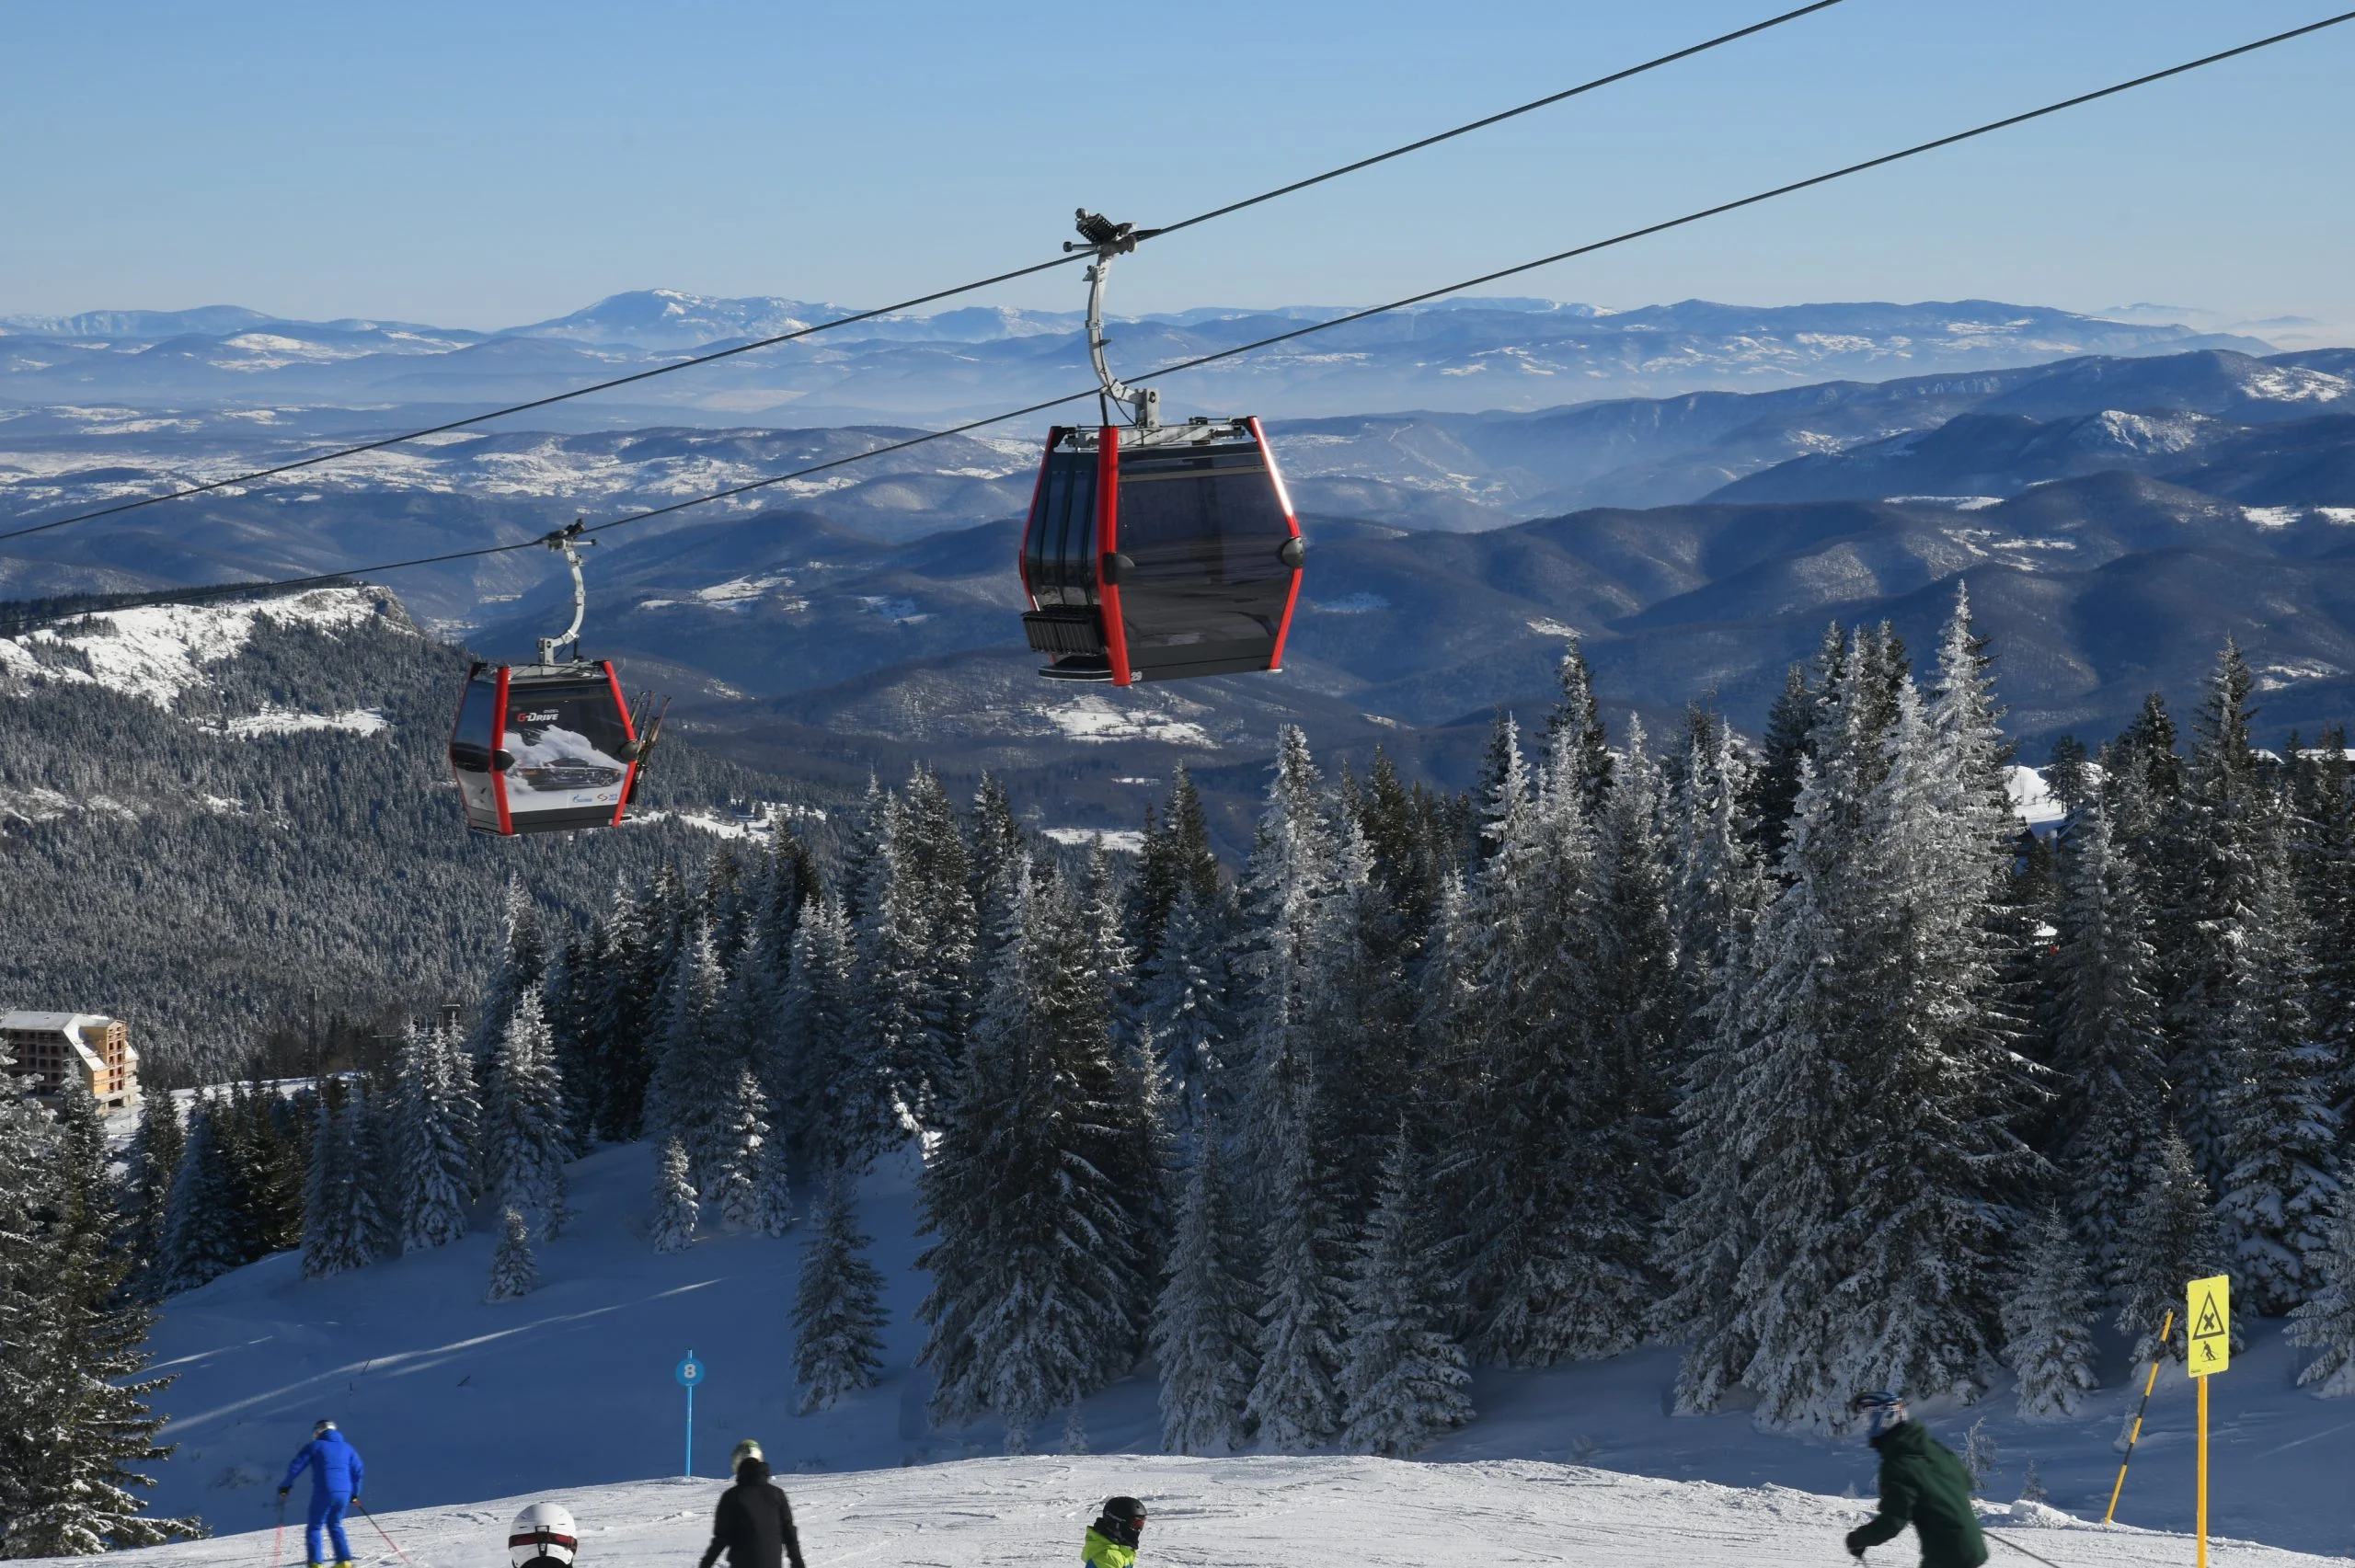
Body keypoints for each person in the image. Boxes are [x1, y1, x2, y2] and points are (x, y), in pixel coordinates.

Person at [1844, 1394, 1987, 1568]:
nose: (1867, 1424)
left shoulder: (1898, 1464)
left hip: (1947, 1556)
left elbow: (1893, 1521)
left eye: (1871, 1417)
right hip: (1971, 1547)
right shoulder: (1931, 1448)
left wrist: (1859, 1539)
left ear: (1887, 1418)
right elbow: (1963, 1481)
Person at [697, 1440, 806, 1568]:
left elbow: (721, 1539)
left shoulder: (731, 1496)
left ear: (736, 1463)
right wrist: (798, 1562)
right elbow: (789, 1533)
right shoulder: (777, 1494)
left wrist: (705, 1564)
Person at [278, 1419, 366, 1568]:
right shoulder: (347, 1448)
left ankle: (316, 1563)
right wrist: (354, 1494)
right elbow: (358, 1472)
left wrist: (285, 1486)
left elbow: (296, 1467)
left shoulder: (315, 1446)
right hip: (344, 1493)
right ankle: (344, 1561)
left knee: (315, 1526)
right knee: (335, 1525)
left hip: (325, 1491)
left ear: (318, 1431)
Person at [1083, 1497, 1145, 1568]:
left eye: (1141, 1525)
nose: (1138, 1530)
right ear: (1118, 1524)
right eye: (1136, 1524)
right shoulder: (1108, 1558)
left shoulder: (1121, 1550)